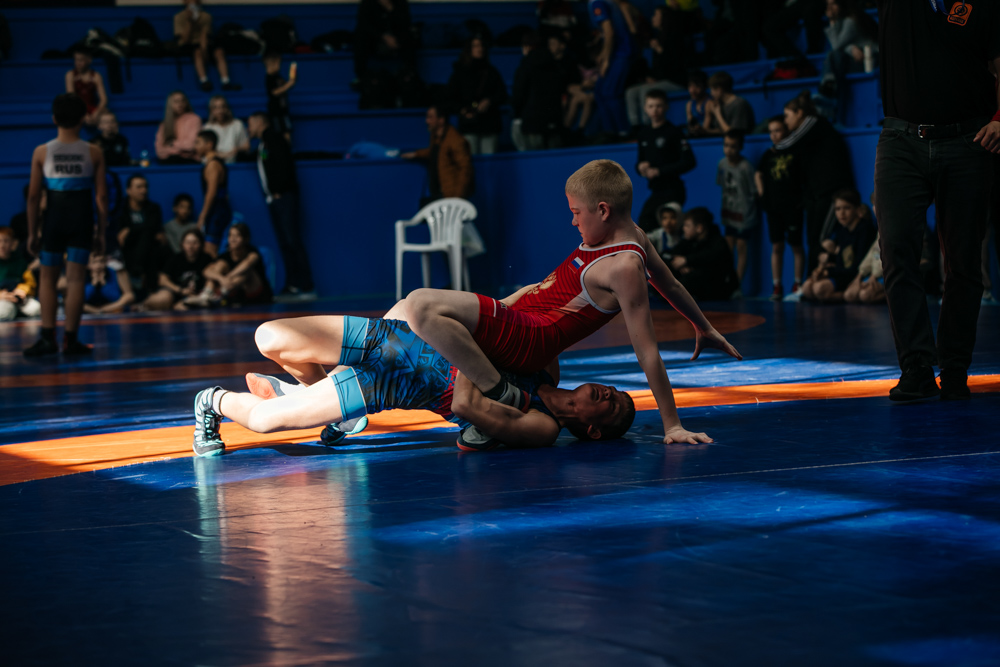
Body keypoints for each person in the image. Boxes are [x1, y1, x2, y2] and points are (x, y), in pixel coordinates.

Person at [399, 159, 743, 447]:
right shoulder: (634, 234)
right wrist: (704, 325)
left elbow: (647, 351)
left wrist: (672, 426)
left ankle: (499, 390)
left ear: (603, 210)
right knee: (399, 315)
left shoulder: (624, 266)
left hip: (529, 338)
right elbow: (671, 283)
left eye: (577, 212)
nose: (573, 221)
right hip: (518, 318)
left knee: (420, 306)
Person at [192, 314, 636, 457]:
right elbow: (523, 312)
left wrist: (470, 351)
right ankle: (339, 415)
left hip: (390, 384)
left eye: (613, 407)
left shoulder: (543, 426)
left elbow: (466, 404)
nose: (609, 394)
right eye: (615, 391)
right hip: (393, 335)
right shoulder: (547, 369)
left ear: (593, 431)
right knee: (268, 337)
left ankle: (210, 402)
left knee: (266, 421)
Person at [873, 0, 1000, 402]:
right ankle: (916, 366)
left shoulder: (983, 4)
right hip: (900, 140)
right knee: (895, 250)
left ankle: (956, 367)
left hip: (969, 141)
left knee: (963, 260)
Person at [24, 94, 107, 357]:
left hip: (54, 219)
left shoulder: (42, 151)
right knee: (75, 279)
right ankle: (71, 340)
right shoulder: (94, 152)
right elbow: (102, 197)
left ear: (54, 119)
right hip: (81, 217)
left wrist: (32, 231)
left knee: (47, 279)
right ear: (84, 119)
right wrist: (101, 232)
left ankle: (48, 338)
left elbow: (34, 196)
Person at [776, 91, 854, 271]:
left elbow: (787, 144)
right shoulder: (808, 135)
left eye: (787, 116)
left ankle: (818, 281)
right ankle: (809, 284)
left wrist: (775, 147)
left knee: (821, 238)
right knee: (812, 239)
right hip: (816, 196)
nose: (785, 122)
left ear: (799, 113)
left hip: (833, 193)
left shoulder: (814, 122)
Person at [248, 112, 315, 300]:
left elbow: (285, 167)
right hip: (275, 200)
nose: (248, 128)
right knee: (286, 243)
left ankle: (307, 285)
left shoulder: (275, 139)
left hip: (284, 198)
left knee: (292, 240)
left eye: (250, 124)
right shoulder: (263, 143)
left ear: (260, 122)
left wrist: (279, 190)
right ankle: (293, 284)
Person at [756, 115, 805, 301]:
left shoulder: (795, 151)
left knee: (796, 246)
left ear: (786, 131)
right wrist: (762, 194)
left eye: (777, 130)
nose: (774, 135)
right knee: (777, 246)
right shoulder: (768, 154)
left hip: (793, 207)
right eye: (771, 131)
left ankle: (798, 283)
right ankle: (777, 286)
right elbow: (758, 173)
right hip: (773, 208)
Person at [800, 189, 875, 303]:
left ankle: (845, 296)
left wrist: (828, 272)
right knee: (807, 287)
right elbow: (840, 260)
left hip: (853, 276)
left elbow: (856, 266)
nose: (841, 213)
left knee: (819, 289)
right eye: (838, 209)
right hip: (841, 273)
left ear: (857, 209)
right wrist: (822, 270)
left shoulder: (865, 230)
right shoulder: (842, 230)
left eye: (847, 208)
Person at [635, 89, 695, 232]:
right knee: (647, 228)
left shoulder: (674, 132)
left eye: (658, 105)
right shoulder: (644, 134)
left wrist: (659, 171)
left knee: (659, 227)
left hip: (673, 190)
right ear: (645, 108)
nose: (655, 110)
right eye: (650, 106)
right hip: (656, 190)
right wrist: (640, 167)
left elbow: (689, 162)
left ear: (666, 107)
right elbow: (639, 162)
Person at [623, 6, 687, 129]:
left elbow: (675, 66)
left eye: (655, 15)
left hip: (675, 80)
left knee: (645, 91)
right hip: (661, 80)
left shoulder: (675, 38)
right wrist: (652, 77)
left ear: (664, 18)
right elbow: (657, 68)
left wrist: (660, 50)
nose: (653, 18)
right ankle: (636, 126)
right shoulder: (658, 38)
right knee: (631, 92)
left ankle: (649, 125)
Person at [401, 105, 474, 206]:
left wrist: (458, 198)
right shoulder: (436, 137)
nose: (427, 121)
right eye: (427, 117)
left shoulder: (456, 141)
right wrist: (415, 154)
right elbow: (435, 152)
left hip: (451, 196)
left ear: (441, 120)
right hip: (438, 193)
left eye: (430, 117)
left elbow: (465, 170)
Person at [447, 37, 508, 156]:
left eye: (481, 45)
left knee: (490, 163)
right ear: (469, 49)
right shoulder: (460, 72)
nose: (479, 49)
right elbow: (449, 98)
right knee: (471, 162)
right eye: (475, 46)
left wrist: (489, 101)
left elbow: (502, 94)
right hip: (469, 124)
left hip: (489, 124)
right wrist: (463, 110)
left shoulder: (491, 72)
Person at [670, 206, 740, 301]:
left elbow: (710, 257)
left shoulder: (718, 242)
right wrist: (682, 264)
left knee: (691, 279)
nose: (683, 228)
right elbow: (671, 254)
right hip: (700, 291)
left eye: (687, 225)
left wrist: (687, 260)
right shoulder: (689, 241)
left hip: (719, 289)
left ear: (699, 228)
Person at [511, 30, 566, 151]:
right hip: (554, 122)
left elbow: (518, 96)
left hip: (532, 124)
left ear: (526, 47)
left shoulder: (525, 65)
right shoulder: (555, 65)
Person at [717, 130, 757, 287]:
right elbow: (722, 185)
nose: (728, 149)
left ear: (740, 147)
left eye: (733, 146)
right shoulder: (722, 164)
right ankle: (727, 283)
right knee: (728, 248)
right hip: (728, 212)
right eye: (726, 145)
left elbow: (753, 192)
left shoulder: (746, 167)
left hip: (744, 214)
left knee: (741, 247)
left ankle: (737, 284)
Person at [174, 0, 241, 92]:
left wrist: (204, 50)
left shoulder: (206, 16)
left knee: (219, 51)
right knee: (197, 52)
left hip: (203, 43)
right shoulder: (179, 17)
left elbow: (204, 36)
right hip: (187, 44)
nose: (193, 2)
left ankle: (225, 81)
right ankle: (204, 81)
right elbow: (185, 39)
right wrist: (190, 22)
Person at [115, 174, 164, 298]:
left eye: (145, 187)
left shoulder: (153, 208)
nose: (143, 190)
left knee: (148, 237)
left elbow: (152, 228)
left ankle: (141, 279)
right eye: (139, 187)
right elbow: (118, 234)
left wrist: (130, 229)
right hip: (126, 250)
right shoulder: (120, 208)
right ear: (128, 190)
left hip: (148, 250)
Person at [588, 0, 634, 135]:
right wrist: (603, 54)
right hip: (615, 54)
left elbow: (609, 31)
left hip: (621, 54)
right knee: (599, 92)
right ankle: (608, 132)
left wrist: (606, 59)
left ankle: (623, 132)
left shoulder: (598, 3)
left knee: (610, 93)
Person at [142, 228, 213, 311]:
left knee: (202, 301)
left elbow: (211, 277)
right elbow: (162, 279)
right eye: (188, 243)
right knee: (163, 298)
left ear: (201, 244)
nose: (191, 246)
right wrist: (180, 290)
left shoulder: (206, 259)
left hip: (198, 296)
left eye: (195, 243)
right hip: (175, 294)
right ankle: (143, 304)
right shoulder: (176, 259)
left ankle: (181, 304)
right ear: (182, 244)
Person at [203, 222, 272, 306]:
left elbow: (247, 264)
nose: (233, 239)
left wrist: (228, 277)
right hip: (233, 292)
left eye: (237, 236)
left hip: (256, 293)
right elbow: (206, 271)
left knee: (246, 272)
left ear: (245, 238)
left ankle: (221, 294)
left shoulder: (252, 252)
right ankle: (206, 295)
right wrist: (221, 278)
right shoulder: (224, 256)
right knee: (220, 265)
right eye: (231, 235)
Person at [352, 0, 414, 85]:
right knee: (360, 36)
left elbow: (405, 24)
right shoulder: (368, 3)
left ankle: (409, 76)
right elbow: (364, 24)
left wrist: (391, 8)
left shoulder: (400, 3)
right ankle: (361, 76)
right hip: (375, 40)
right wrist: (383, 37)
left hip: (397, 39)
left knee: (409, 37)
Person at [194, 129, 232, 257]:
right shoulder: (214, 163)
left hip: (217, 211)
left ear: (209, 144)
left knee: (210, 252)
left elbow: (211, 193)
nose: (195, 146)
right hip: (219, 210)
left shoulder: (213, 165)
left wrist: (202, 216)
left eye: (198, 142)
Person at [761, 0, 826, 60]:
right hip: (794, 4)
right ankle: (794, 57)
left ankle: (813, 52)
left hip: (814, 2)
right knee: (769, 26)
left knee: (811, 10)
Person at [0, 226, 40, 322]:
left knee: (36, 308)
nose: (2, 245)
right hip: (3, 299)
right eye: (0, 241)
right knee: (4, 312)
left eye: (6, 241)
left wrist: (22, 291)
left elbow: (30, 283)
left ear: (13, 243)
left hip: (19, 299)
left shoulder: (20, 262)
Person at [155, 91, 202, 165]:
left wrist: (172, 144)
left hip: (189, 161)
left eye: (182, 101)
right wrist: (179, 150)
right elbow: (159, 150)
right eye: (176, 101)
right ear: (170, 104)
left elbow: (191, 145)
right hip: (168, 161)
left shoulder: (194, 119)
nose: (180, 104)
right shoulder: (164, 124)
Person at [64, 47, 107, 128]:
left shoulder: (96, 76)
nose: (78, 63)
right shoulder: (70, 75)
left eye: (81, 60)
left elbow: (104, 99)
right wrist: (84, 114)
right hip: (77, 108)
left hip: (92, 109)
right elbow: (72, 98)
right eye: (76, 60)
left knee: (108, 117)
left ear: (89, 60)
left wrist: (96, 113)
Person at [702, 71, 755, 136]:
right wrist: (708, 114)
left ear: (719, 89)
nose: (711, 93)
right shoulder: (718, 104)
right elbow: (719, 130)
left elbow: (732, 134)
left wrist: (717, 113)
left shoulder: (739, 104)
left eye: (712, 89)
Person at [202, 96, 249, 163]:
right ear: (211, 111)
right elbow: (203, 150)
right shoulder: (207, 127)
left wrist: (236, 150)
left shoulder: (237, 124)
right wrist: (218, 155)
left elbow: (246, 147)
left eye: (223, 106)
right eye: (215, 108)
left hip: (234, 161)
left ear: (227, 108)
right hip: (214, 162)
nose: (220, 111)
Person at [844, 234, 884, 304]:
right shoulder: (880, 232)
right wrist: (859, 276)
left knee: (864, 295)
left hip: (885, 274)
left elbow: (889, 258)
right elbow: (872, 254)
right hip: (873, 273)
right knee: (849, 295)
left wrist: (875, 275)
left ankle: (893, 294)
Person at [264, 52, 295, 141]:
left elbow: (286, 85)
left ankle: (287, 151)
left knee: (287, 131)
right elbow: (274, 92)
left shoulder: (278, 76)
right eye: (277, 63)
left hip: (283, 110)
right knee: (278, 132)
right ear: (271, 64)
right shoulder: (269, 78)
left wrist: (292, 81)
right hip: (276, 111)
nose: (279, 66)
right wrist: (288, 85)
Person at [684, 70, 710, 138]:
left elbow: (704, 130)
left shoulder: (709, 103)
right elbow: (690, 125)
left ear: (704, 86)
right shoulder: (689, 104)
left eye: (697, 86)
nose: (692, 90)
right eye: (690, 86)